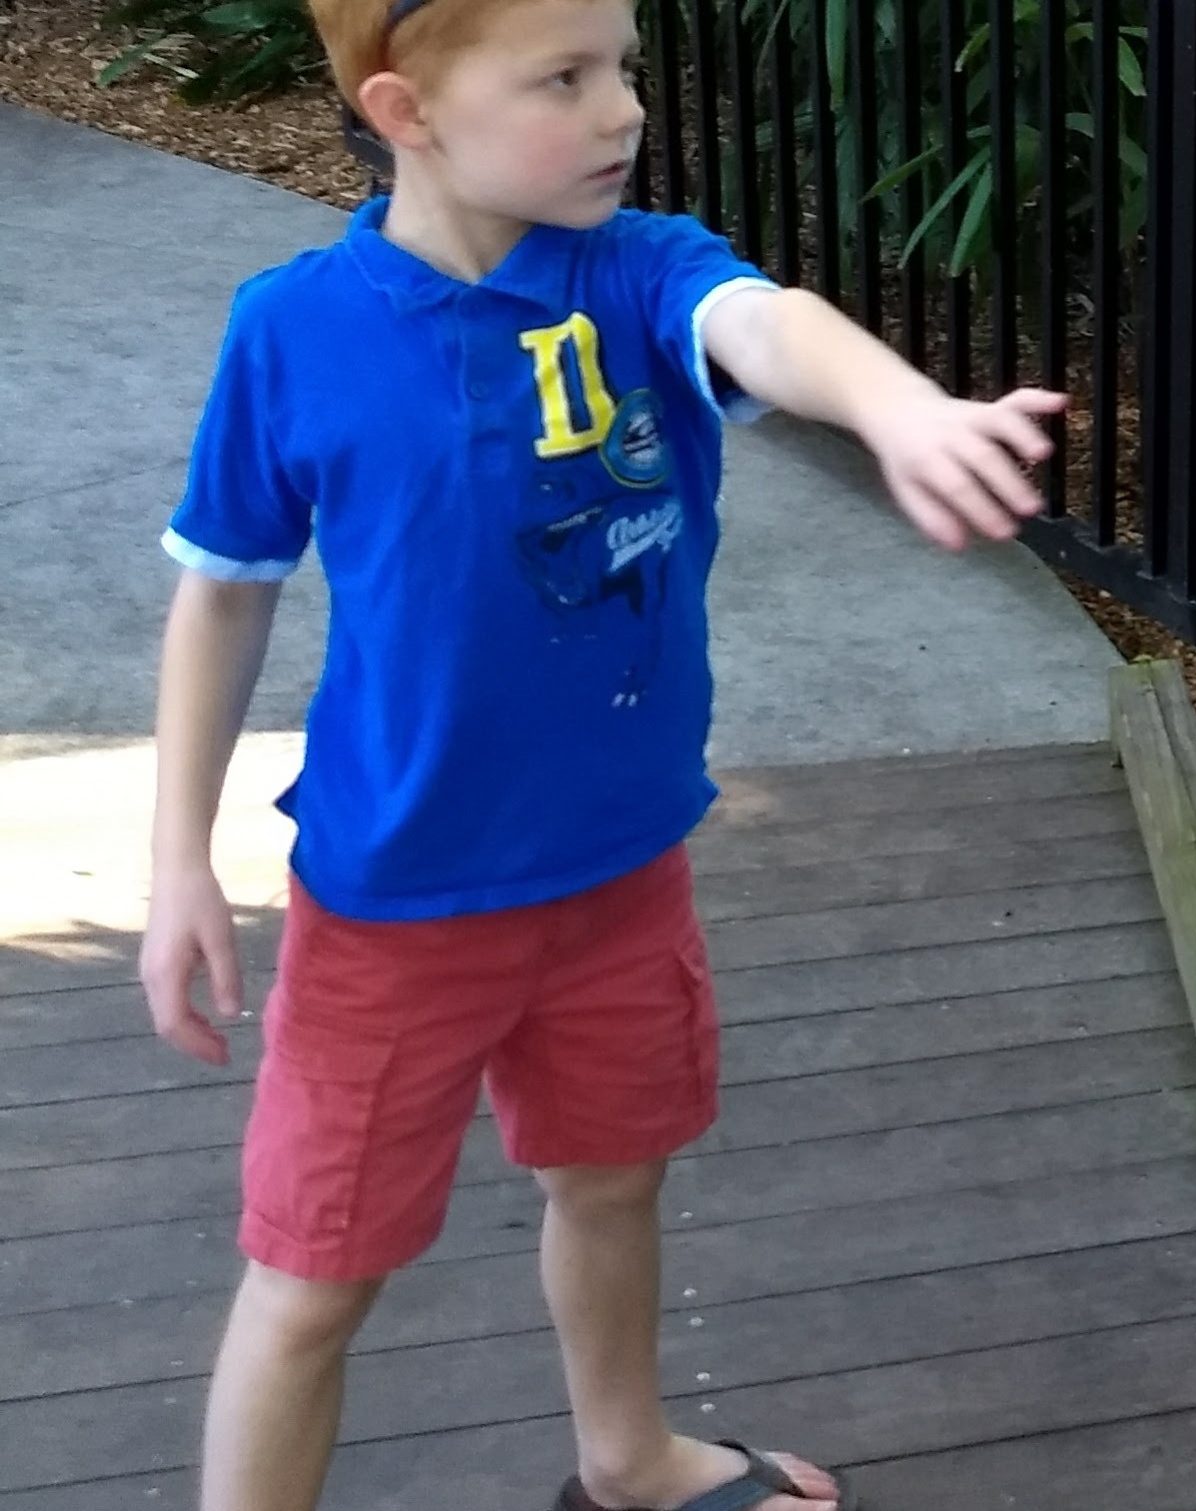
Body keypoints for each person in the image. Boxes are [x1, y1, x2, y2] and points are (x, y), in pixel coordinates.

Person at [134, 0, 1067, 1505]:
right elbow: (224, 588)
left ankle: (628, 1462)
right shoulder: (294, 328)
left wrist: (901, 404)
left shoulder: (642, 275)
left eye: (622, 63)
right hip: (397, 909)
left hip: (622, 874)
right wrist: (180, 858)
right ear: (405, 109)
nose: (623, 107)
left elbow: (761, 321)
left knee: (612, 1179)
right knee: (313, 1277)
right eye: (566, 77)